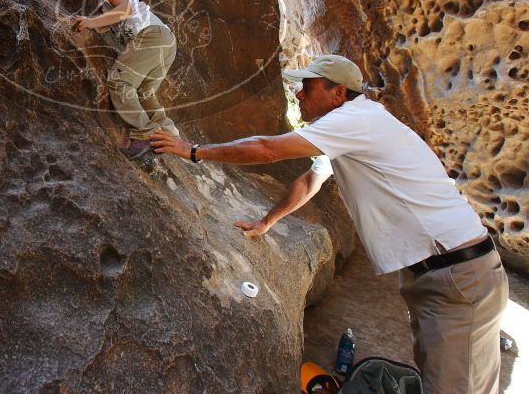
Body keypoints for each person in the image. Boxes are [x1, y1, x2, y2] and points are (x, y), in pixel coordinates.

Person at [151, 54, 508, 394]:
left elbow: (267, 149)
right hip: (441, 274)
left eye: (308, 86)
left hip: (456, 276)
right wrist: (267, 221)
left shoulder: (356, 120)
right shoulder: (349, 130)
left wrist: (193, 150)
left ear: (338, 93)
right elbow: (309, 182)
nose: (299, 93)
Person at [70, 0, 179, 159]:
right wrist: (83, 23)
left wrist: (90, 21)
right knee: (143, 92)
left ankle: (143, 134)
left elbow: (125, 10)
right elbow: (106, 23)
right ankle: (169, 134)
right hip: (165, 40)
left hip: (150, 36)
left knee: (119, 82)